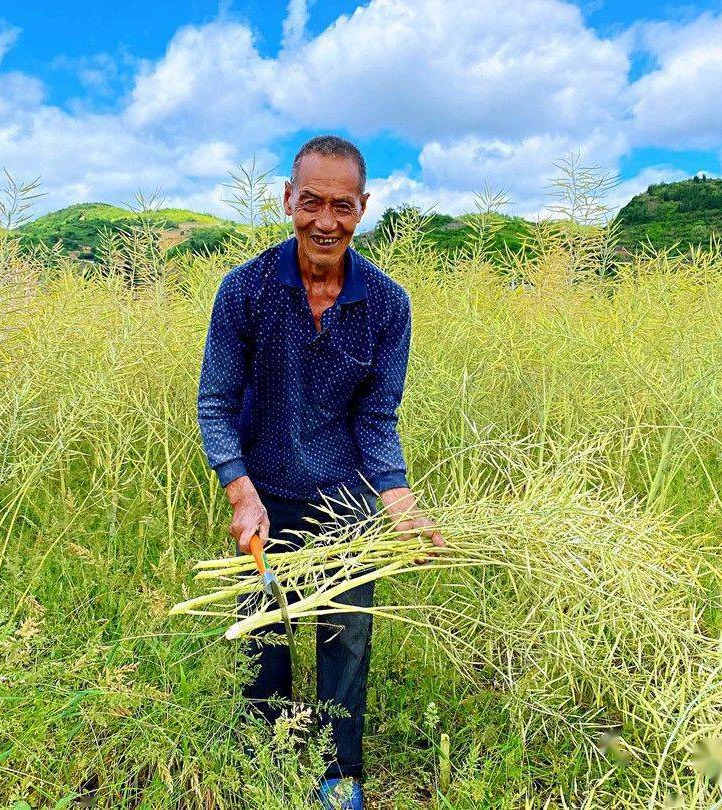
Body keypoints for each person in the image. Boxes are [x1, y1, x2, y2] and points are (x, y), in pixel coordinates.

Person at [197, 134, 444, 808]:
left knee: (344, 636)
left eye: (342, 205)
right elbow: (215, 402)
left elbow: (377, 417)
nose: (325, 222)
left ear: (363, 208)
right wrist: (239, 487)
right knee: (265, 633)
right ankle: (267, 759)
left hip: (347, 501)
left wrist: (397, 499)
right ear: (286, 201)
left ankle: (339, 773)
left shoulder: (388, 305)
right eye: (311, 203)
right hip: (266, 500)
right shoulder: (245, 290)